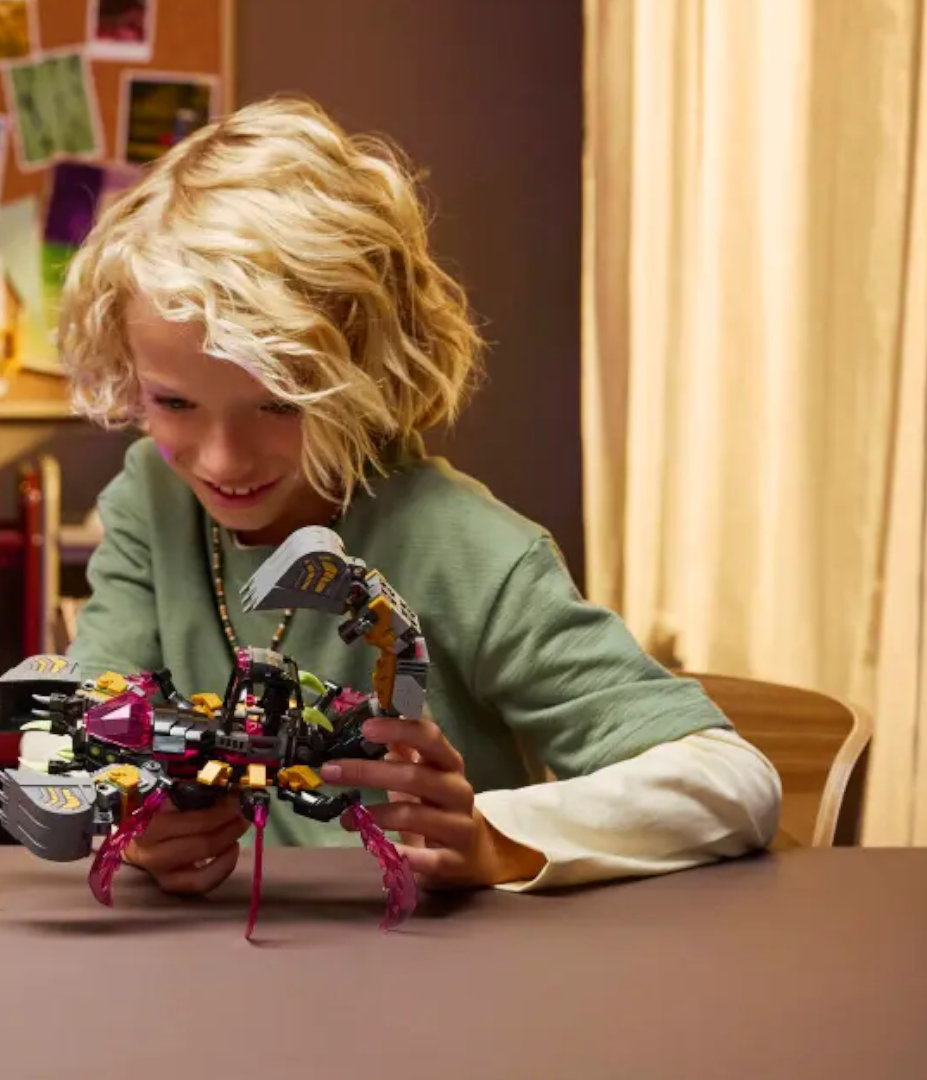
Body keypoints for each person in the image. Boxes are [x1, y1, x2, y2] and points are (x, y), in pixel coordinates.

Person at [45, 95, 781, 897]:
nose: (221, 460)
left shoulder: (464, 545)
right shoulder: (151, 498)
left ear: (368, 369)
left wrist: (496, 837)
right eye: (174, 404)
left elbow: (730, 781)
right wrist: (119, 811)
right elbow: (68, 738)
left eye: (279, 404)